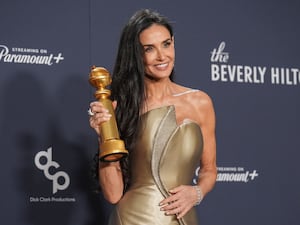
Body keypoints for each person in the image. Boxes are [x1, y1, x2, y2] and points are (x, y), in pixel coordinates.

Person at [89, 8, 217, 225]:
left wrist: (196, 193)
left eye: (166, 44)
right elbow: (113, 194)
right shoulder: (122, 109)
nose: (162, 56)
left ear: (174, 42)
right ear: (136, 55)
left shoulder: (200, 102)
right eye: (149, 49)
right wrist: (103, 137)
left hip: (184, 218)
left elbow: (209, 170)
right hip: (133, 218)